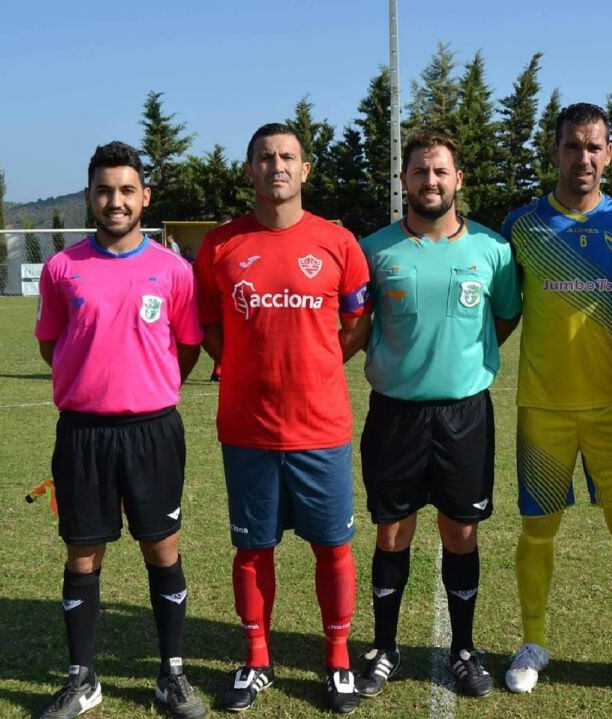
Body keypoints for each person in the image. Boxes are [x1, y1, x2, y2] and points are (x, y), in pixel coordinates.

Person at [194, 123, 371, 715]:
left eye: (288, 156)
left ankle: (339, 661)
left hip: (320, 426)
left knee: (334, 547)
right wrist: (245, 366)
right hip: (248, 427)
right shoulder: (219, 246)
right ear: (249, 170)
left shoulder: (338, 242)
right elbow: (211, 328)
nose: (277, 165)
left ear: (306, 170)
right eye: (266, 157)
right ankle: (257, 658)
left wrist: (318, 365)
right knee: (252, 550)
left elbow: (355, 322)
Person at [33, 141, 206, 719]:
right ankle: (82, 679)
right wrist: (93, 382)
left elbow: (185, 349)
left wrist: (144, 388)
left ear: (144, 198)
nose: (115, 201)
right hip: (82, 433)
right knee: (83, 554)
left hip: (153, 432)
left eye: (127, 190)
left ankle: (171, 676)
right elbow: (50, 344)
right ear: (89, 196)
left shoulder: (173, 269)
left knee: (162, 548)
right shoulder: (63, 267)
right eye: (104, 190)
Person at [500, 103, 612, 695]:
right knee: (538, 530)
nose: (583, 158)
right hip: (542, 407)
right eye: (573, 146)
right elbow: (500, 314)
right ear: (555, 151)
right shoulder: (522, 226)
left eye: (594, 147)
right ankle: (532, 642)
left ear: (610, 155)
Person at [353, 131, 521, 700]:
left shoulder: (493, 250)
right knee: (392, 530)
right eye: (420, 172)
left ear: (458, 180)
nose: (431, 181)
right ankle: (383, 647)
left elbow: (502, 319)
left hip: (465, 415)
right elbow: (355, 327)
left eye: (441, 172)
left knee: (462, 530)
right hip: (395, 414)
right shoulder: (373, 249)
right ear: (403, 180)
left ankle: (465, 649)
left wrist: (460, 365)